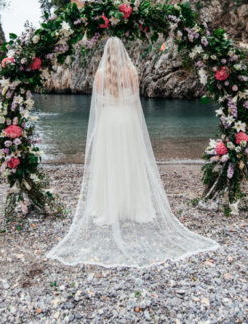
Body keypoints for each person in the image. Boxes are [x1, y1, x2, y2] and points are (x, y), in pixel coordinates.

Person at [47, 37, 218, 267]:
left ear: (106, 53)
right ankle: (134, 208)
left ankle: (110, 208)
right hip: (128, 121)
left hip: (109, 122)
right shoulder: (133, 72)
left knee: (111, 163)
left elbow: (99, 106)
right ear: (124, 52)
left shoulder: (99, 76)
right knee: (130, 161)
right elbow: (135, 102)